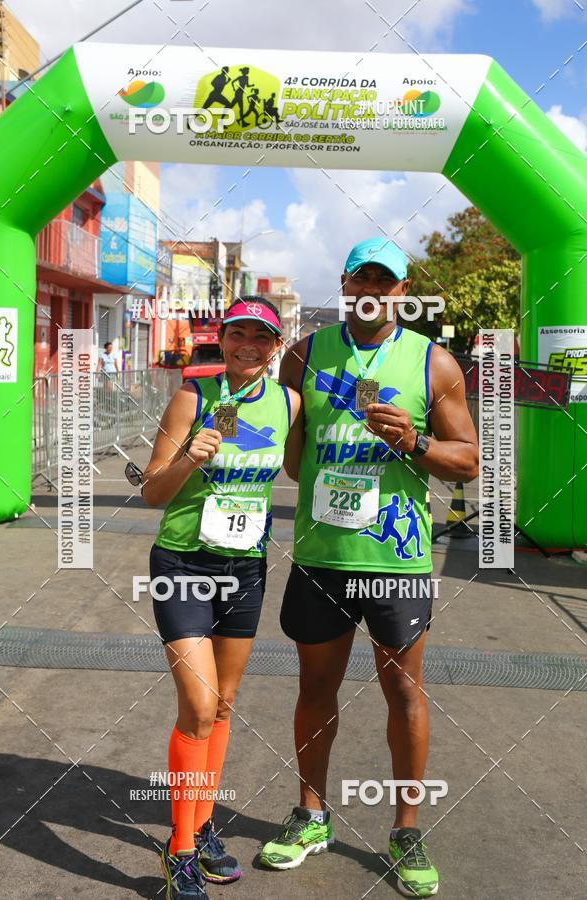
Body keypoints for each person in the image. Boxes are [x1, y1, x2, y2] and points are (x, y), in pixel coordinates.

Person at [260, 239, 479, 897]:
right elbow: (294, 458)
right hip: (324, 555)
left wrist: (412, 442)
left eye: (384, 283)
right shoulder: (306, 353)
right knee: (315, 690)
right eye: (362, 281)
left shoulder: (432, 362)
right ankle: (311, 815)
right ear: (346, 284)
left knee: (404, 691)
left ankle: (406, 829)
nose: (372, 293)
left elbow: (468, 460)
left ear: (401, 290)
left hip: (396, 558)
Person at [141, 297, 300, 899]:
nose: (247, 347)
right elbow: (153, 492)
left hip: (245, 569)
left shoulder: (288, 404)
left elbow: (308, 462)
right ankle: (180, 851)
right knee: (200, 705)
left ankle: (201, 825)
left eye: (261, 338)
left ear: (274, 345)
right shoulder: (193, 396)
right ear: (223, 337)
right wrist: (188, 456)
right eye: (238, 334)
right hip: (182, 563)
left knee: (224, 705)